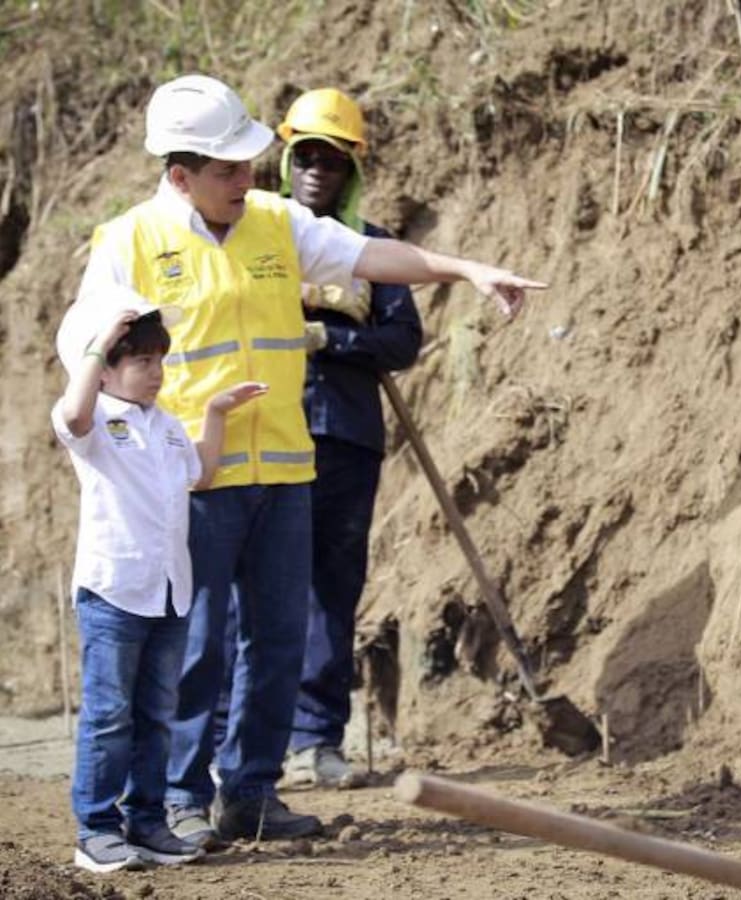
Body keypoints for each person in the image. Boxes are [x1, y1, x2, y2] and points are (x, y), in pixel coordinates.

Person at [71, 74, 544, 847]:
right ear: (180, 176)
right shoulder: (130, 241)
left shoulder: (274, 221)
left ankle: (251, 794)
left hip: (287, 469)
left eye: (249, 164)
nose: (248, 179)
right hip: (195, 477)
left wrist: (465, 269)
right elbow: (87, 350)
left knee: (278, 640)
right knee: (197, 647)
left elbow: (369, 255)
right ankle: (182, 797)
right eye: (228, 169)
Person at [52, 295, 265, 871]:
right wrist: (100, 343)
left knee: (155, 715)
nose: (156, 372)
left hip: (169, 591)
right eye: (142, 361)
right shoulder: (92, 417)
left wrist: (216, 413)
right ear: (104, 368)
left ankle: (147, 823)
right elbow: (73, 417)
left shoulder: (166, 425)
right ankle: (96, 830)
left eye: (159, 360)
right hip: (114, 591)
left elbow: (203, 474)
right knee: (109, 715)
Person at [279, 88, 422, 787]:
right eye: (306, 156)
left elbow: (402, 340)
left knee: (331, 590)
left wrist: (332, 338)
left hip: (343, 437)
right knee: (252, 590)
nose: (316, 170)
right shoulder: (253, 236)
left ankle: (315, 740)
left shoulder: (374, 246)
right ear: (287, 160)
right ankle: (240, 746)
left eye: (331, 160)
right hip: (262, 430)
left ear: (351, 169)